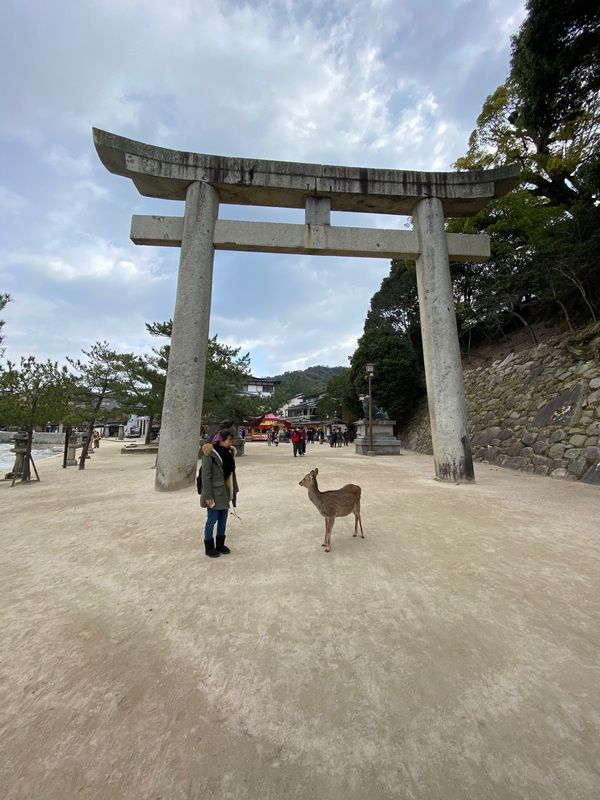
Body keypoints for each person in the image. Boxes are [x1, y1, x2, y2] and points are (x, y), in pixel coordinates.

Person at [199, 429, 239, 558]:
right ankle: (209, 546)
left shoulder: (228, 454)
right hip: (214, 493)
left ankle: (220, 544)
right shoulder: (210, 454)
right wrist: (208, 496)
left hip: (225, 492)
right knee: (211, 520)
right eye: (228, 440)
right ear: (220, 440)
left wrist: (233, 492)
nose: (230, 443)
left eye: (231, 440)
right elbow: (206, 477)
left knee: (223, 520)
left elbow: (231, 475)